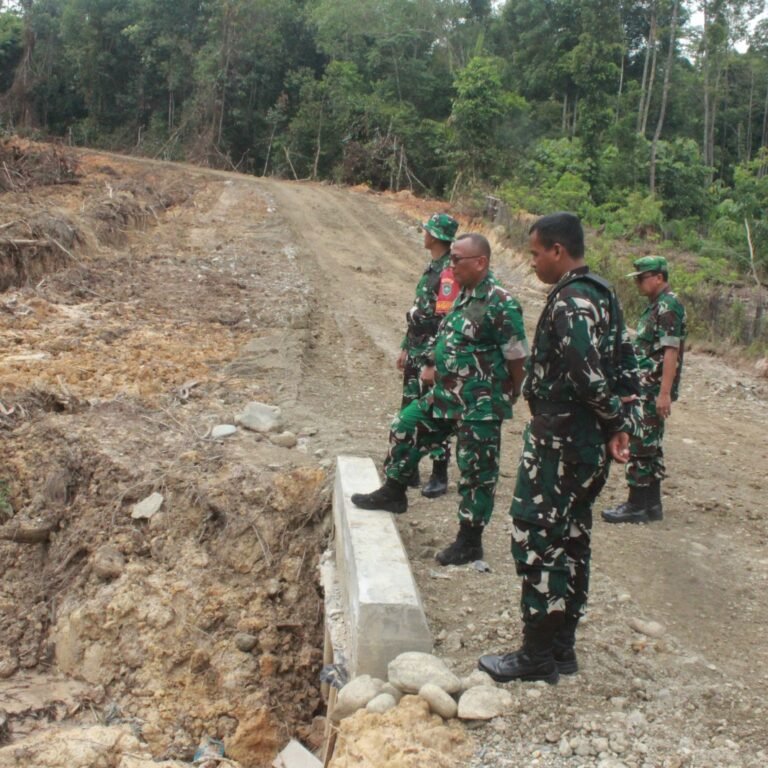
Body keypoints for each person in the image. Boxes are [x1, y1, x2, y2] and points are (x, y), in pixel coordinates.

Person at [478, 212, 639, 684]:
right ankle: (561, 648)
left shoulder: (570, 300)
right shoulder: (604, 294)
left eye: (534, 253)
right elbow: (626, 361)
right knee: (572, 537)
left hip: (561, 443)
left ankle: (536, 655)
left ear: (557, 251)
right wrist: (618, 423)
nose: (531, 262)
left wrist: (611, 418)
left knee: (536, 537)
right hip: (586, 442)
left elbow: (587, 369)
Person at [351, 233, 529, 566]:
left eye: (457, 259)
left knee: (476, 471)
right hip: (447, 395)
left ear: (480, 262)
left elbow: (518, 356)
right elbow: (450, 333)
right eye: (450, 258)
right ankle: (394, 491)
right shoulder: (465, 295)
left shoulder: (501, 302)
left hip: (480, 403)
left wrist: (510, 392)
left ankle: (469, 540)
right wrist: (434, 362)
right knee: (407, 424)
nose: (450, 264)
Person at [602, 255, 687, 524]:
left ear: (658, 277)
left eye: (642, 278)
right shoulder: (657, 306)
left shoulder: (668, 306)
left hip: (651, 390)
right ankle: (651, 504)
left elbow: (671, 351)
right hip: (647, 387)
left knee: (640, 443)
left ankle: (636, 505)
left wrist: (664, 393)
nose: (638, 283)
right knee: (650, 444)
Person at [396, 213, 459, 498]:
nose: (424, 234)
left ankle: (439, 473)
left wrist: (433, 361)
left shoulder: (448, 272)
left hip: (432, 352)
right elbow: (418, 310)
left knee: (435, 412)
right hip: (417, 348)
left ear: (435, 236)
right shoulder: (433, 267)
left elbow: (444, 320)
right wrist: (406, 346)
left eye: (427, 231)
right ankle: (408, 468)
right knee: (409, 408)